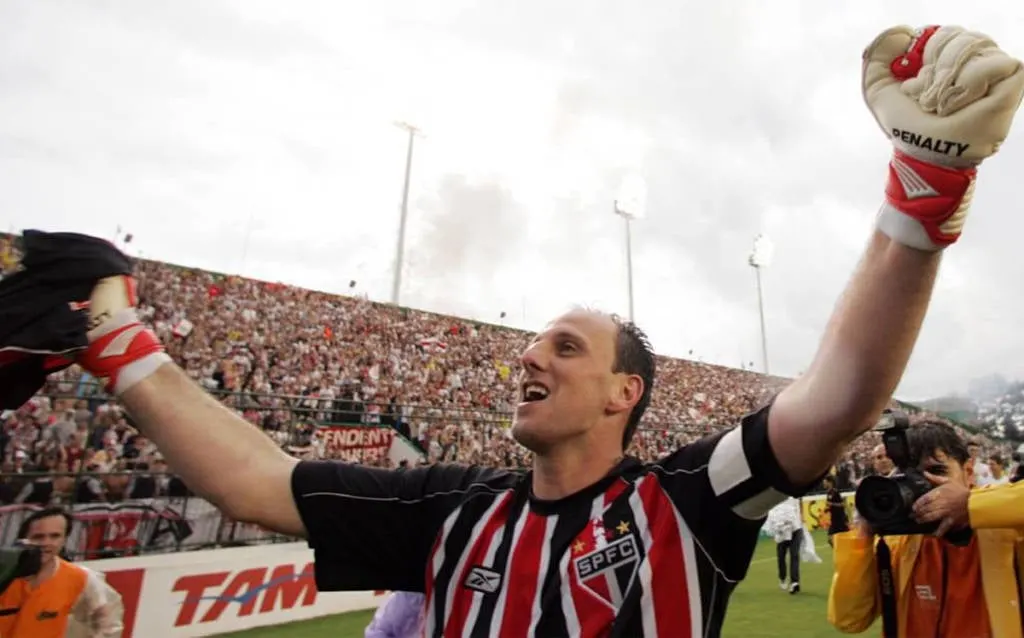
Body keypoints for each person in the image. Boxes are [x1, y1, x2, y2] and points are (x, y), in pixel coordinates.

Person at [28, 24, 1024, 638]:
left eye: (564, 345)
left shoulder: (684, 499)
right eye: (532, 340)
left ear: (621, 392)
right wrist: (118, 339)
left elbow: (835, 398)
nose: (527, 355)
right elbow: (253, 479)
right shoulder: (451, 508)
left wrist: (919, 200)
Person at [827, 420, 1024, 637]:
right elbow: (849, 620)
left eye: (936, 471)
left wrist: (969, 505)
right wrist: (863, 536)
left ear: (968, 472)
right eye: (909, 475)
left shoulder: (1007, 530)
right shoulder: (899, 541)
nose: (922, 485)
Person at [0, 508, 124, 638]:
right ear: (23, 541)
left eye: (55, 536)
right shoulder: (5, 573)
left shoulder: (81, 577)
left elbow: (110, 623)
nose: (46, 543)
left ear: (64, 539)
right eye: (38, 537)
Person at [764, 497, 804, 593]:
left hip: (795, 528)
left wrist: (801, 519)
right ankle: (782, 577)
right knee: (781, 557)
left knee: (794, 555)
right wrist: (774, 528)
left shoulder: (794, 495)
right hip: (782, 530)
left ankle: (795, 582)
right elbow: (770, 513)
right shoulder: (776, 496)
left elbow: (799, 505)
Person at [823, 475, 850, 544]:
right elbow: (830, 505)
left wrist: (831, 504)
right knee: (830, 539)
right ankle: (840, 552)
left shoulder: (836, 492)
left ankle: (844, 551)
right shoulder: (828, 493)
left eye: (825, 482)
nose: (824, 484)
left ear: (830, 482)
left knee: (846, 539)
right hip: (834, 519)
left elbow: (842, 504)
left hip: (840, 520)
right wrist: (827, 509)